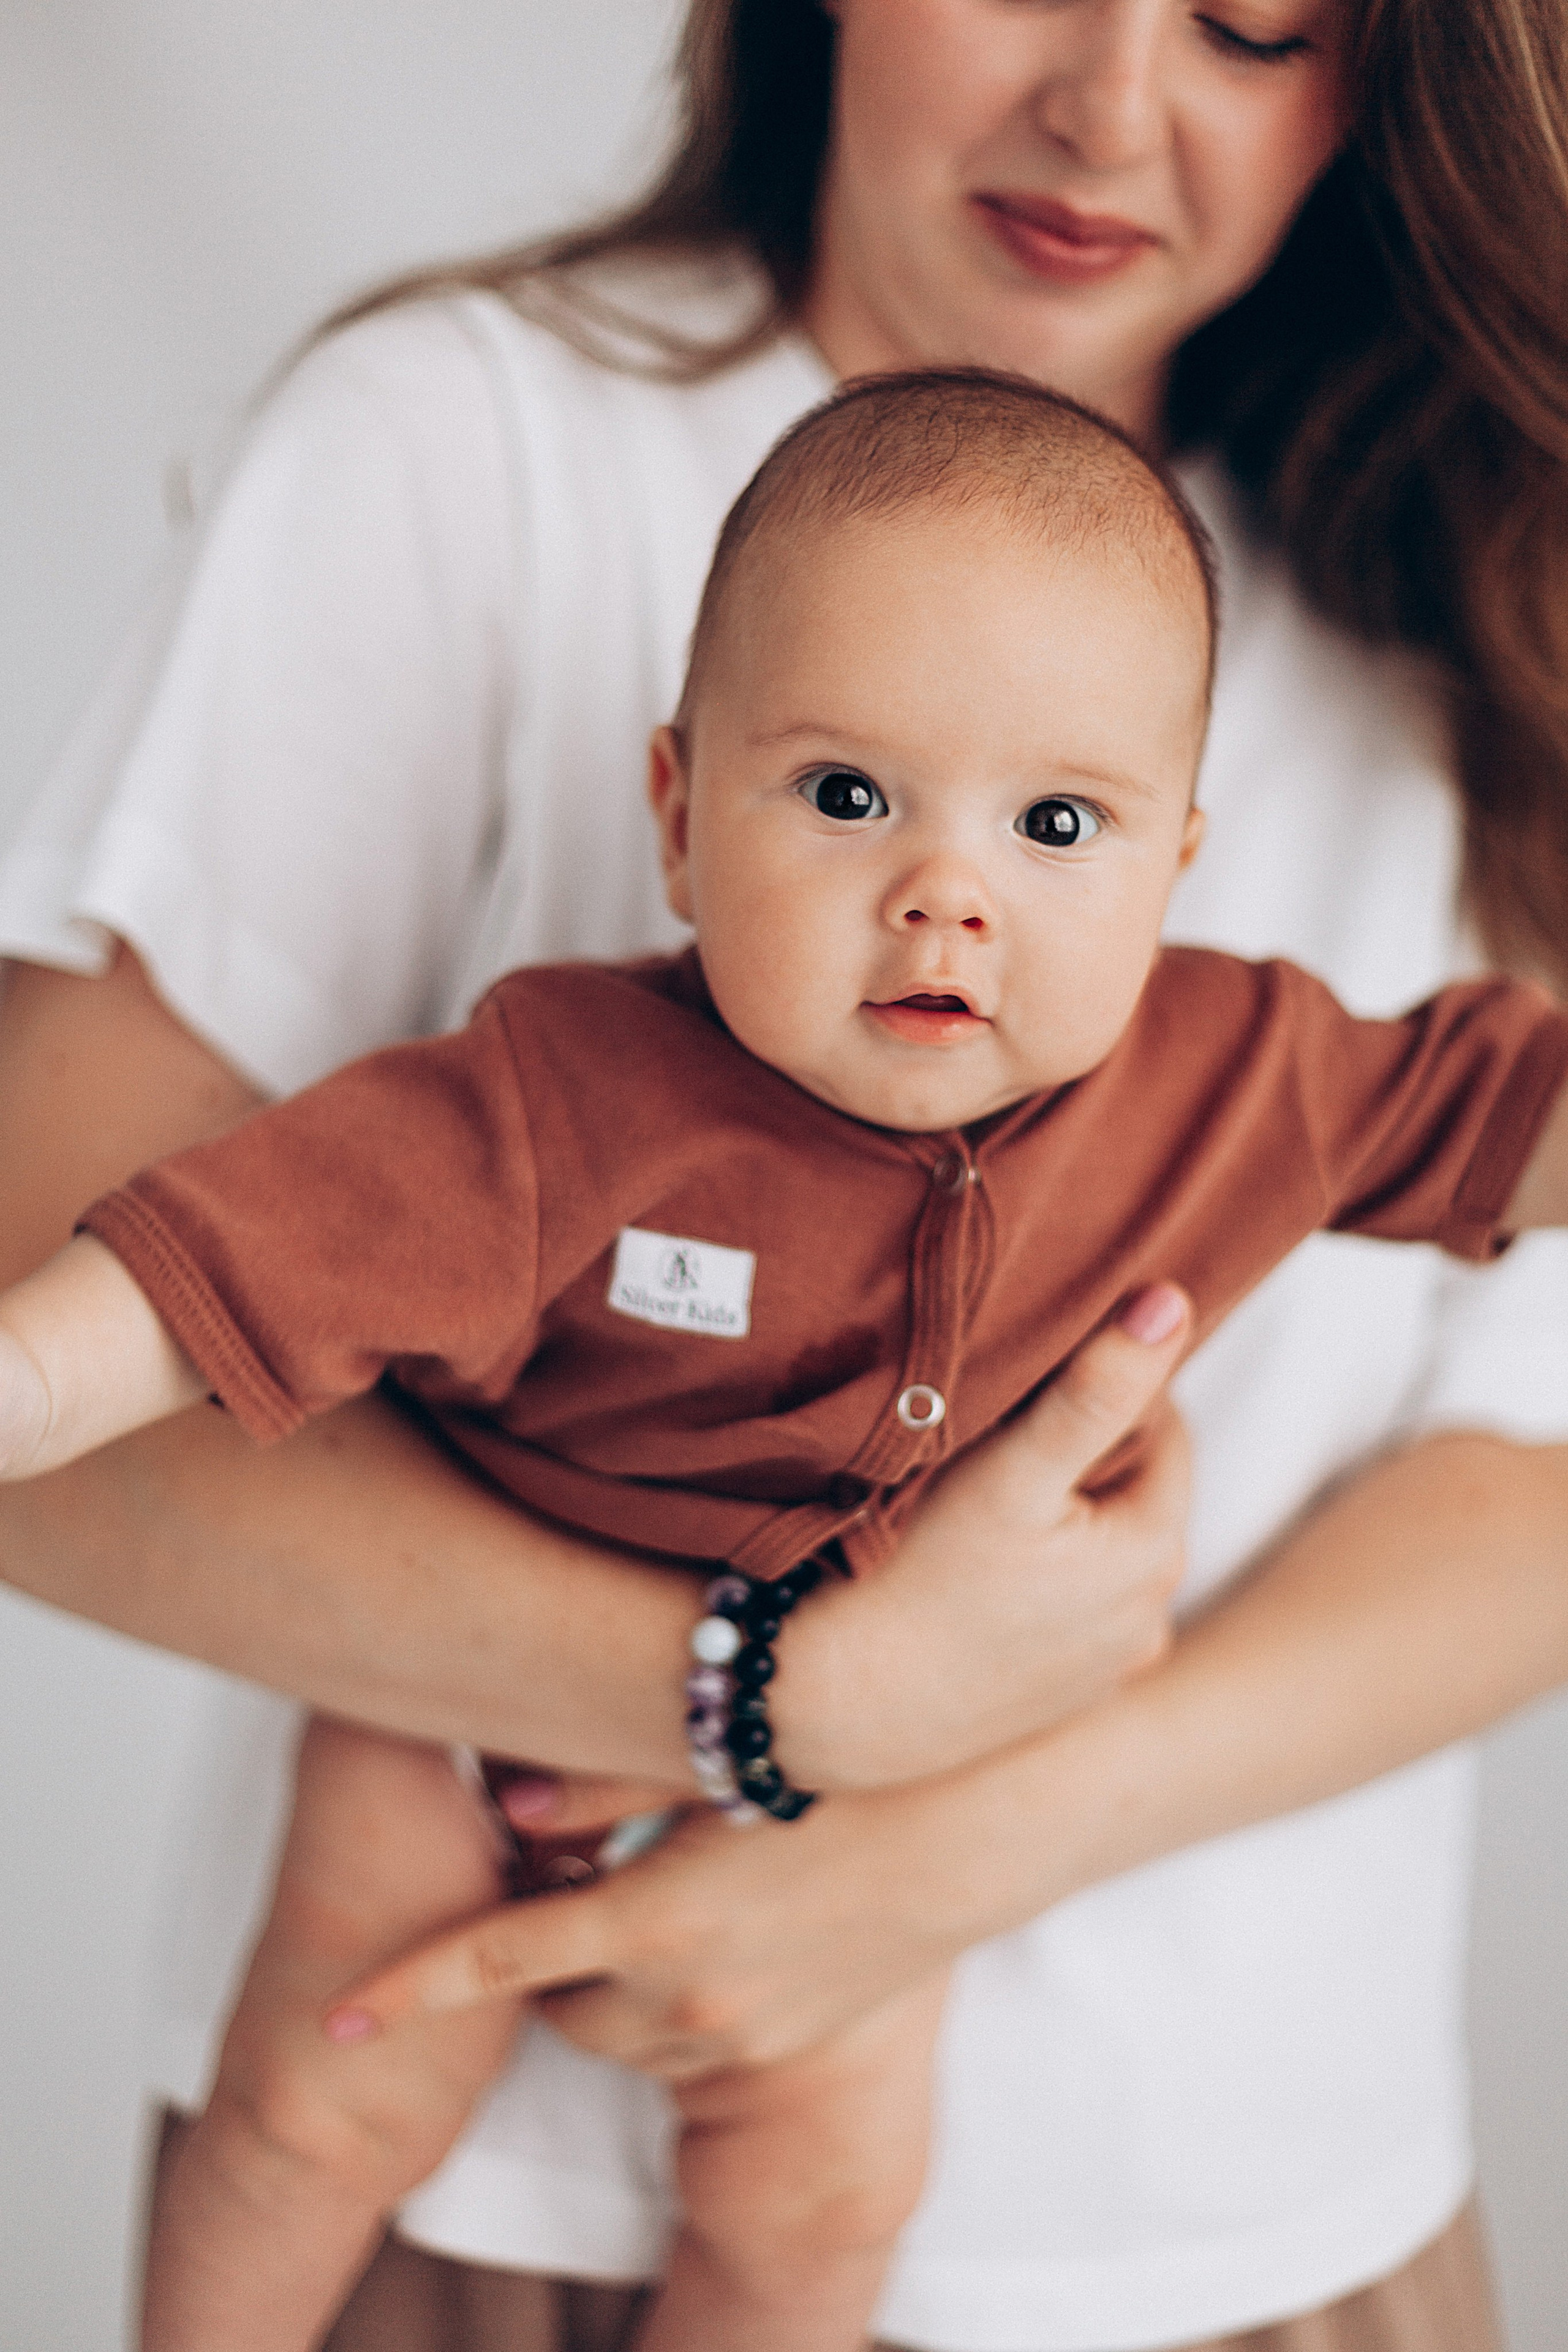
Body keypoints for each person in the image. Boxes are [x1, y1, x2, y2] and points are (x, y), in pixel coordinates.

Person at [2, 4, 1565, 2347]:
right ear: (682, 802)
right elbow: (113, 1335)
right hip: (474, 2156)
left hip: (1242, 2205)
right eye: (844, 800)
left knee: (816, 2206)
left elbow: (1530, 1432)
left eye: (1258, 21)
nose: (1111, 110)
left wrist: (950, 1821)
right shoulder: (475, 480)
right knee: (311, 2110)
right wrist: (776, 1704)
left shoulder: (1467, 598)